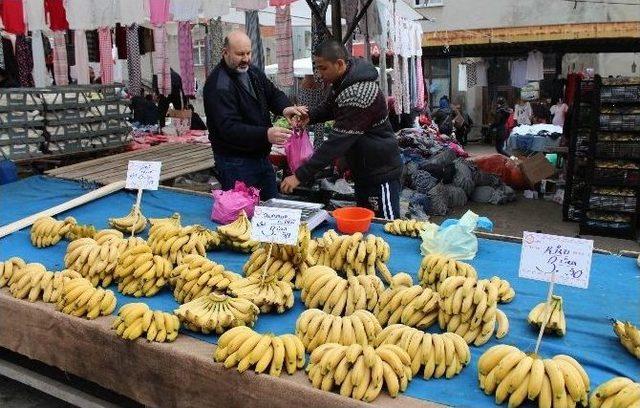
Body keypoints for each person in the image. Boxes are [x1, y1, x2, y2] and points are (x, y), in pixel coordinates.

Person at [281, 39, 403, 219]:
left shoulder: (358, 92)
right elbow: (331, 106)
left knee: (385, 226)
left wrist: (300, 175)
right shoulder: (344, 80)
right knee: (367, 222)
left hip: (380, 172)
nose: (319, 75)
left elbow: (336, 143)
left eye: (323, 68)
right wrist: (311, 116)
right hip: (364, 170)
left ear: (339, 64)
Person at [203, 30, 304, 201]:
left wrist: (285, 108)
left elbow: (272, 93)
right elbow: (229, 129)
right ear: (225, 53)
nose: (246, 58)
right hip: (235, 162)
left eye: (248, 53)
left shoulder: (252, 72)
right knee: (243, 213)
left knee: (271, 205)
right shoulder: (218, 85)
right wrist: (265, 134)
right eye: (240, 54)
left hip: (260, 157)